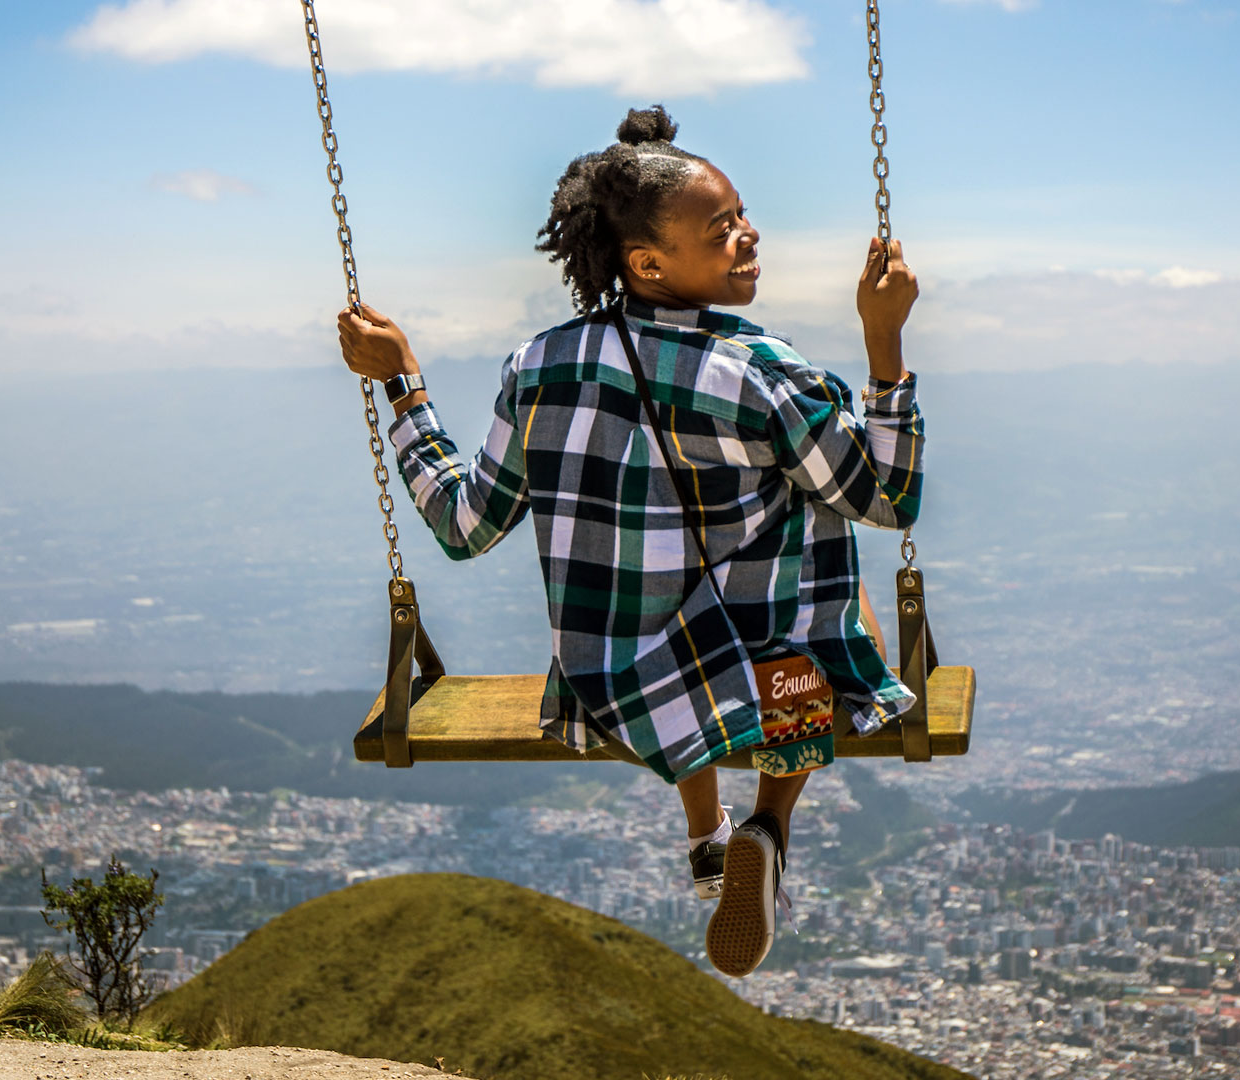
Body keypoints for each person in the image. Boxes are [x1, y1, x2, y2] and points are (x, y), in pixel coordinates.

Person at [336, 106, 922, 978]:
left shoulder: (537, 366)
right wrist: (885, 343)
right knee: (844, 595)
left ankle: (705, 836)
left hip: (613, 682)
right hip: (768, 672)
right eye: (721, 228)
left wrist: (405, 388)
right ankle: (767, 825)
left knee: (661, 588)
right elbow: (887, 499)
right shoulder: (763, 374)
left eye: (741, 214)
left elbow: (463, 527)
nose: (748, 235)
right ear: (648, 262)